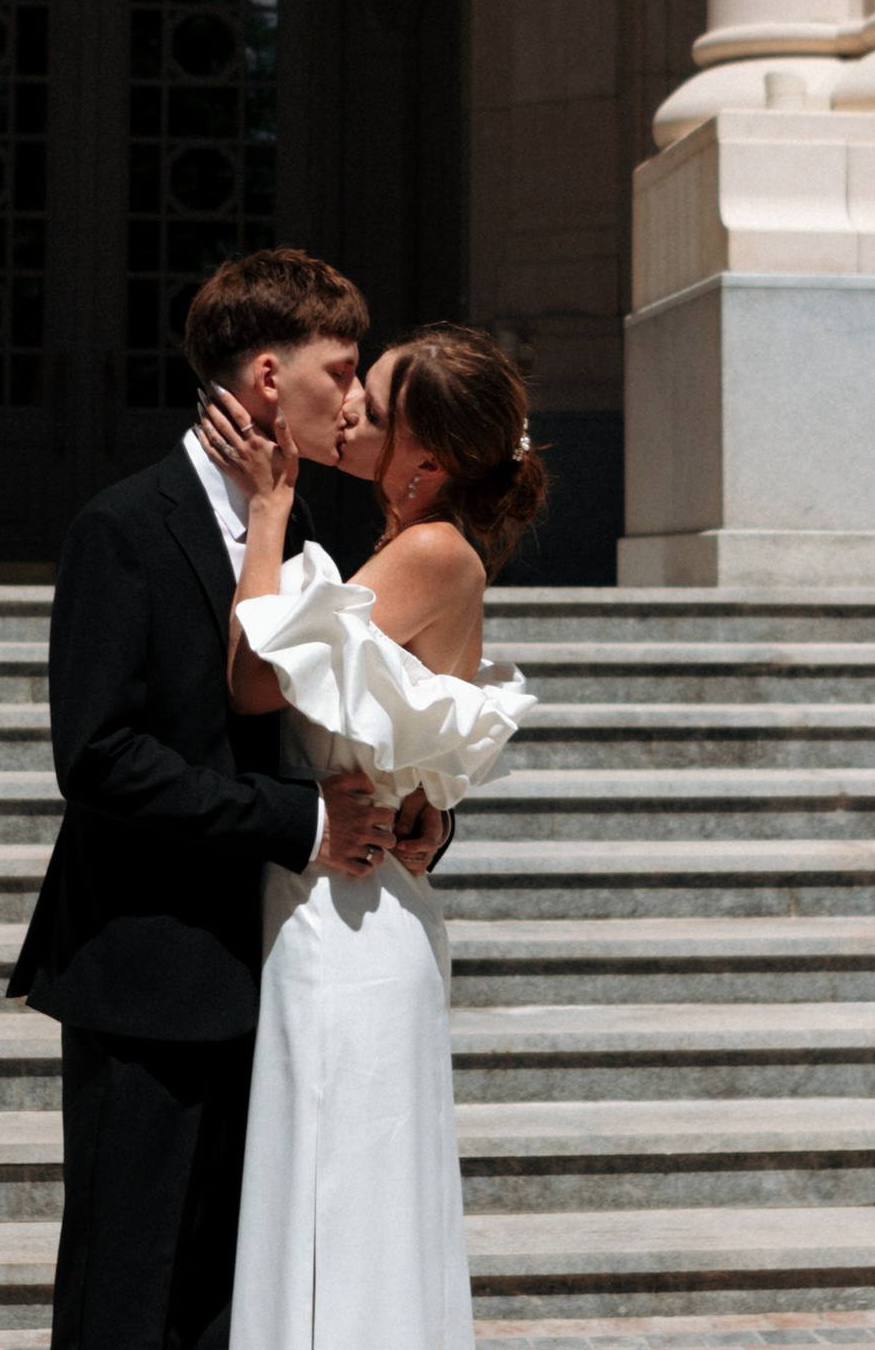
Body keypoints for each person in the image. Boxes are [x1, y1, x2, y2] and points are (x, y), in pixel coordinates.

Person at [10, 248, 439, 1350]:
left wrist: (417, 810)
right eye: (339, 371)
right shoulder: (122, 526)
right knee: (129, 1281)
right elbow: (97, 756)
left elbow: (345, 718)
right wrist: (297, 824)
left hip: (281, 971)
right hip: (146, 967)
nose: (354, 400)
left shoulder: (313, 532)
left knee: (230, 1290)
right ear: (264, 379)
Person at [202, 323, 548, 1350]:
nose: (346, 405)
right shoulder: (402, 551)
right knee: (326, 1194)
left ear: (425, 462)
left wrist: (264, 516)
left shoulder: (433, 552)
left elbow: (256, 677)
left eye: (375, 401)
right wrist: (425, 812)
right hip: (338, 904)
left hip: (349, 927)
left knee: (345, 1210)